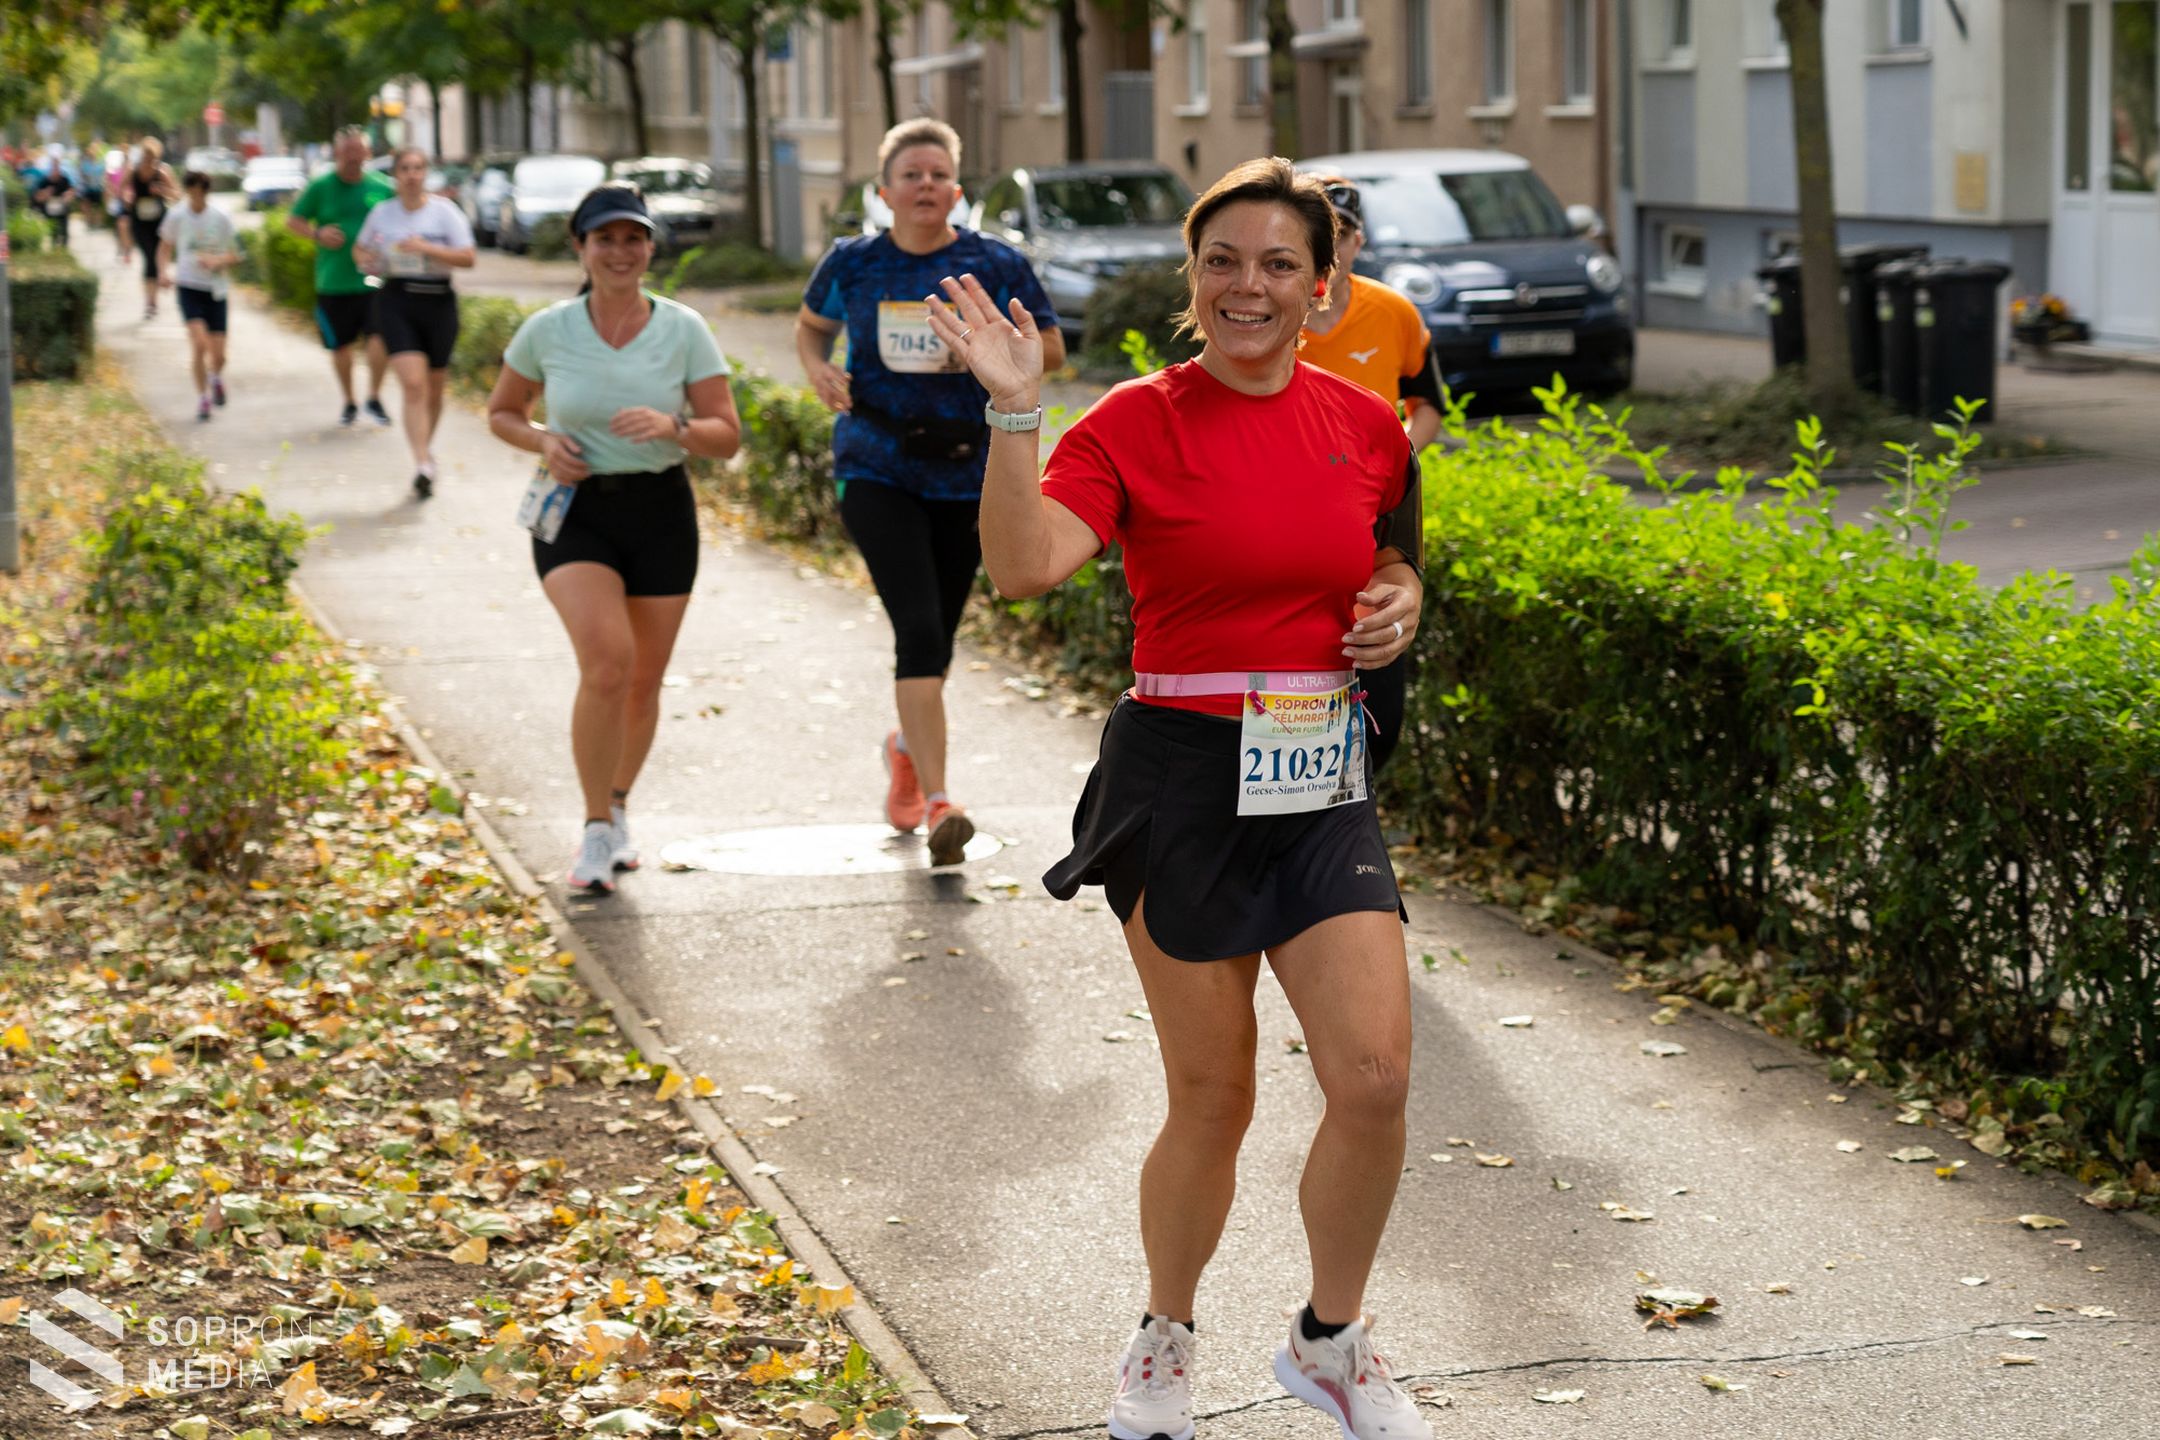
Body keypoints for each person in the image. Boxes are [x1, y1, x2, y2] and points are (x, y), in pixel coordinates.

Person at [925, 156, 1431, 1440]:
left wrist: (1399, 605)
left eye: (1276, 265)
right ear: (1192, 281)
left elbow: (1390, 562)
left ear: (1323, 288)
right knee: (1217, 1093)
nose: (1246, 286)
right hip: (1183, 775)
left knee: (1371, 1077)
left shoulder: (1366, 424)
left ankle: (1331, 1341)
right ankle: (1165, 1333)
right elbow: (1027, 566)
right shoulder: (1134, 422)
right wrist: (1016, 414)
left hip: (1320, 771)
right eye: (1222, 262)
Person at [794, 118, 1064, 867]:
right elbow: (810, 329)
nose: (924, 186)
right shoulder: (854, 262)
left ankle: (906, 750)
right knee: (916, 627)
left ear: (956, 189)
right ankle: (944, 801)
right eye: (910, 174)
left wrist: (990, 351)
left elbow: (1051, 346)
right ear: (884, 192)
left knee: (939, 632)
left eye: (938, 174)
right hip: (876, 463)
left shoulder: (993, 263)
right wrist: (817, 369)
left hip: (969, 472)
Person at [486, 184, 741, 894]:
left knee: (642, 681)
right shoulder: (548, 329)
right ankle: (595, 828)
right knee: (607, 661)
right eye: (605, 240)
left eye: (634, 239)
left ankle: (620, 804)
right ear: (581, 248)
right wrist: (541, 442)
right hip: (575, 511)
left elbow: (727, 435)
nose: (620, 253)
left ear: (651, 248)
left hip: (661, 510)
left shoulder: (684, 328)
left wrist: (674, 428)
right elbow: (502, 413)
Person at [1297, 177, 1443, 777]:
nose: (1333, 247)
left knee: (1378, 699)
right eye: (1320, 235)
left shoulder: (1395, 312)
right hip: (1288, 509)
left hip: (1373, 517)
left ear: (1359, 243)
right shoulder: (1267, 310)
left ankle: (1349, 799)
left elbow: (1427, 405)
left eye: (1343, 234)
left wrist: (1391, 460)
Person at [354, 146, 477, 497]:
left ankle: (425, 450)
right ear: (395, 174)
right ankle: (422, 461)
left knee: (435, 387)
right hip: (397, 299)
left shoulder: (444, 212)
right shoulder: (382, 213)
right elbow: (360, 250)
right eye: (405, 168)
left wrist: (427, 248)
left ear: (426, 173)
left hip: (438, 302)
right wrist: (369, 260)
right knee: (413, 384)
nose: (411, 175)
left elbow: (468, 257)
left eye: (418, 168)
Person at [288, 126, 395, 428]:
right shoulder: (321, 186)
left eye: (359, 151)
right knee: (341, 347)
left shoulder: (383, 186)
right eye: (348, 151)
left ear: (367, 153)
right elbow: (293, 220)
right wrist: (316, 233)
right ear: (336, 153)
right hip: (333, 281)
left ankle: (374, 396)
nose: (354, 157)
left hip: (373, 279)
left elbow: (400, 216)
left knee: (379, 336)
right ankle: (349, 400)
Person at [157, 170, 241, 422]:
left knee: (220, 355)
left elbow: (236, 253)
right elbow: (164, 247)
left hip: (216, 289)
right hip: (188, 285)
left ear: (206, 192)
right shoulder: (177, 215)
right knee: (199, 344)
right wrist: (162, 272)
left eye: (199, 192)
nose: (195, 197)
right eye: (191, 192)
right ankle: (203, 398)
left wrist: (217, 261)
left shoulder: (220, 217)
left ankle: (215, 377)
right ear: (186, 191)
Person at [123, 140, 179, 320]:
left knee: (156, 256)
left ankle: (152, 301)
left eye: (151, 158)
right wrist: (127, 197)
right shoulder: (134, 171)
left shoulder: (162, 172)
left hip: (159, 222)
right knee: (149, 257)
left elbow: (176, 194)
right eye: (145, 158)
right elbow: (120, 188)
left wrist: (161, 190)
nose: (148, 162)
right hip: (139, 221)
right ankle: (150, 301)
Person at [30, 150, 76, 250]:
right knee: (52, 229)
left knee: (64, 228)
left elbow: (71, 191)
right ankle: (54, 244)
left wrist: (67, 195)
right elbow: (37, 196)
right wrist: (46, 193)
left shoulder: (64, 179)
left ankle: (64, 246)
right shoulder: (44, 180)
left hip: (62, 207)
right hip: (49, 208)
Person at [103, 148, 131, 263]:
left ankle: (127, 248)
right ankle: (126, 250)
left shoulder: (133, 172)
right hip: (121, 202)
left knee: (129, 228)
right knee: (122, 226)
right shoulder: (115, 172)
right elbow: (110, 187)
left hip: (133, 202)